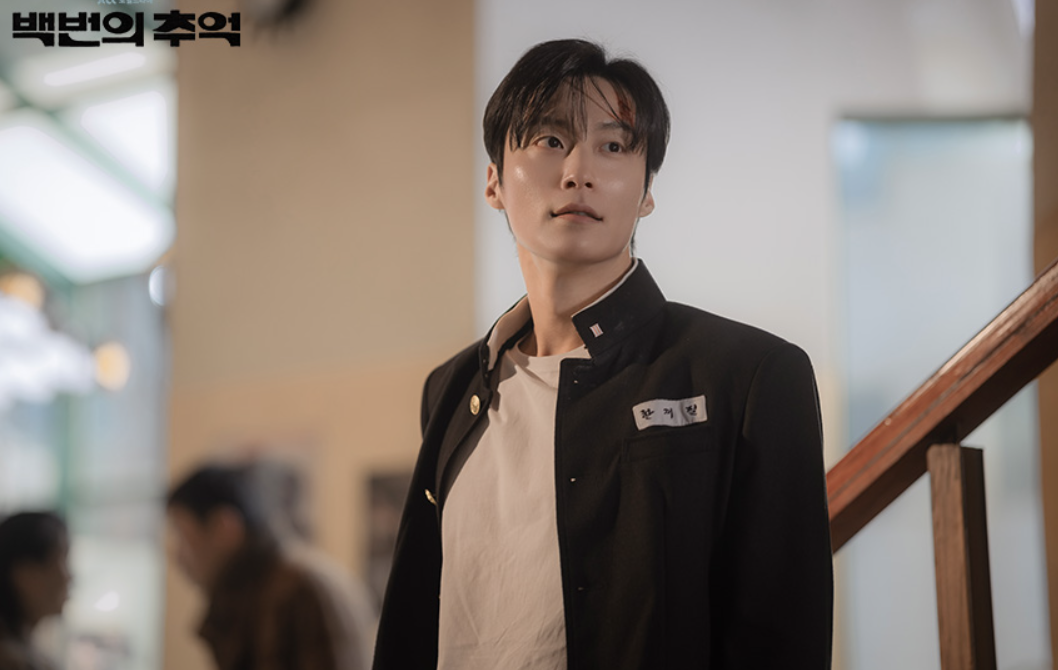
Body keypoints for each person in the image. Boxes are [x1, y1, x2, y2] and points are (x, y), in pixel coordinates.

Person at [373, 38, 833, 669]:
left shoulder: (748, 375)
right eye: (550, 139)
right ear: (494, 181)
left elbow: (780, 638)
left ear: (646, 192)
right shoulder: (451, 390)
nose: (578, 172)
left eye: (613, 146)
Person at [167, 462, 375, 670]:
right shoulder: (258, 591)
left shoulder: (300, 588)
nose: (177, 555)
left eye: (183, 535)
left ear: (224, 526)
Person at [0, 511, 71, 670]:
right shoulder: (11, 662)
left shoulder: (28, 655)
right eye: (62, 559)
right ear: (25, 574)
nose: (69, 577)